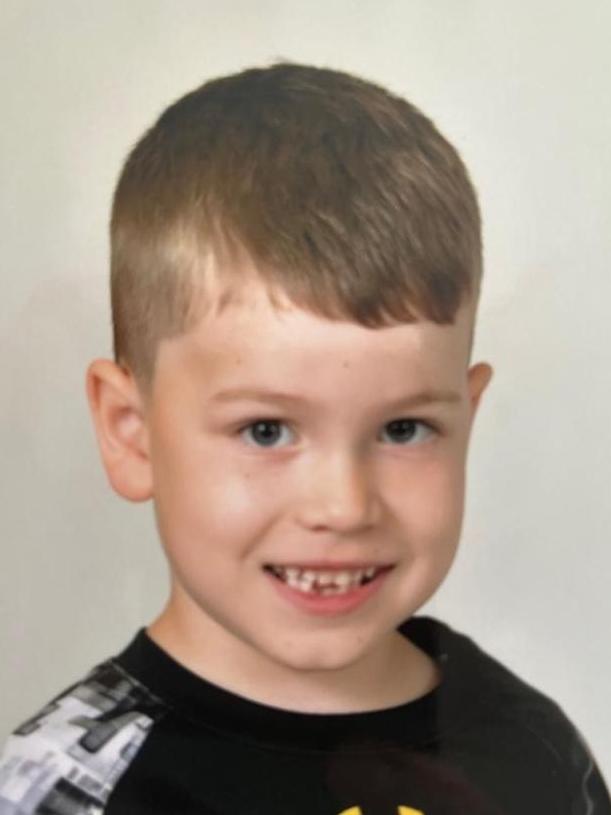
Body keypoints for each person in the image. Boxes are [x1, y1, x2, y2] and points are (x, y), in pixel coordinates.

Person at [0, 62, 608, 815]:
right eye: (266, 430)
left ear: (467, 420)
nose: (344, 507)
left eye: (403, 428)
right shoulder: (63, 792)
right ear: (133, 433)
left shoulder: (532, 748)